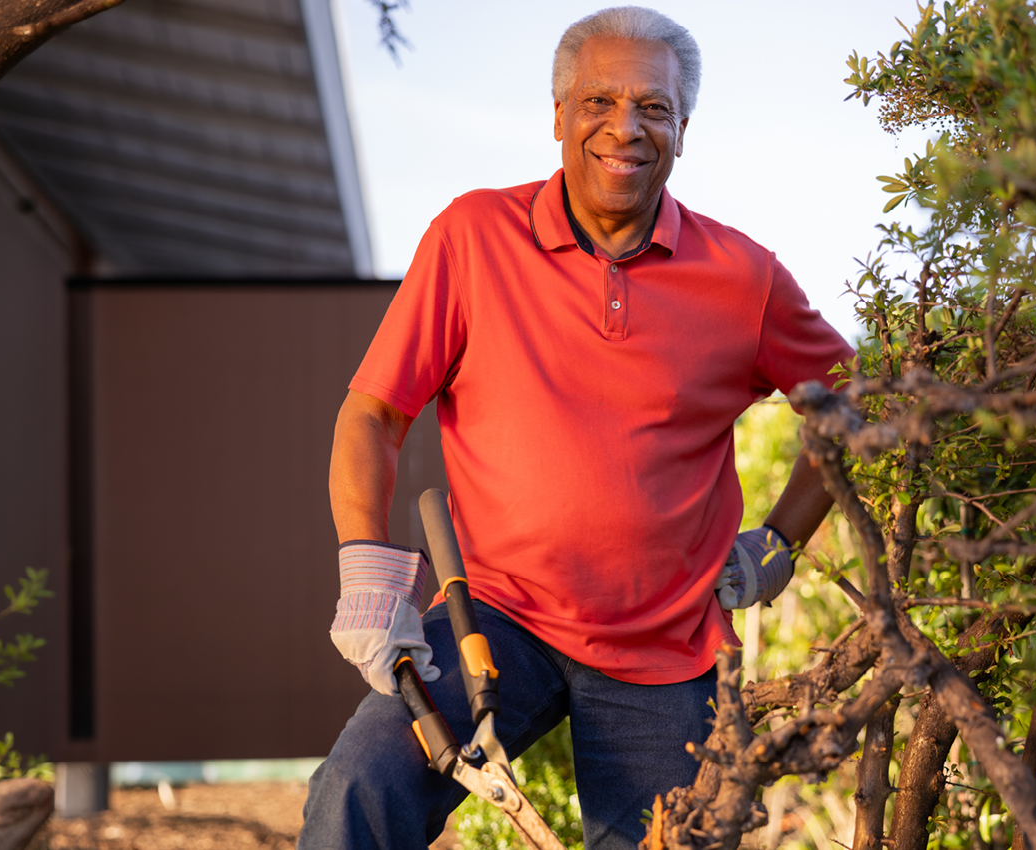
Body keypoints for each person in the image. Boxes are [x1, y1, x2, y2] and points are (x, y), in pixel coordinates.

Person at [298, 7, 855, 850]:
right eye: (597, 101)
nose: (625, 128)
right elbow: (374, 413)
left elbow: (850, 405)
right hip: (496, 618)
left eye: (653, 108)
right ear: (558, 117)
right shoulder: (473, 238)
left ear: (683, 130)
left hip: (667, 648)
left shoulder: (744, 277)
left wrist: (777, 545)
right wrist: (366, 574)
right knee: (357, 792)